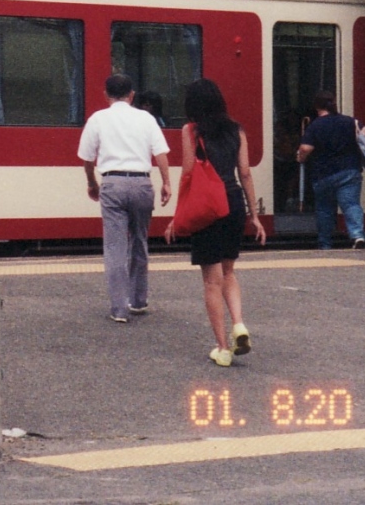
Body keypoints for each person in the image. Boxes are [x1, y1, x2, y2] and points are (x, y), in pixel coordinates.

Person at [164, 78, 267, 367]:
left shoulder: (191, 131)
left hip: (208, 207)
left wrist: (177, 217)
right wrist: (254, 216)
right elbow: (245, 173)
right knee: (229, 272)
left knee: (211, 281)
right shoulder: (237, 129)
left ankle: (222, 348)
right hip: (233, 202)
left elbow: (187, 174)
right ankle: (239, 325)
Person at [78, 74, 173, 323]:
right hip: (142, 183)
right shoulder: (146, 118)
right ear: (132, 95)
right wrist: (166, 182)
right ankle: (139, 300)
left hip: (113, 184)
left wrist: (92, 184)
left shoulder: (98, 119)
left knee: (115, 247)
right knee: (140, 241)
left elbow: (88, 159)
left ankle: (119, 308)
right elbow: (160, 153)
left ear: (106, 95)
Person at [295, 90, 365, 250]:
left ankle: (325, 243)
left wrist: (301, 157)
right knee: (351, 204)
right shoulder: (350, 121)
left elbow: (306, 148)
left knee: (324, 209)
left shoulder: (315, 125)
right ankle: (357, 235)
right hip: (350, 170)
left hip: (323, 174)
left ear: (316, 107)